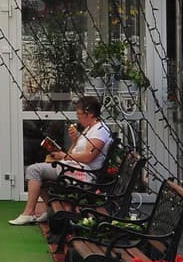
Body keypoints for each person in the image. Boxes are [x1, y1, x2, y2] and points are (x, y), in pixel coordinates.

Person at [9, 95, 111, 225]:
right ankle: (51, 211)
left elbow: (88, 157)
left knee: (33, 170)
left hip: (84, 174)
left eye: (79, 114)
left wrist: (63, 157)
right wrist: (74, 141)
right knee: (39, 172)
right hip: (74, 168)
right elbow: (73, 153)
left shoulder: (99, 131)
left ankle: (29, 213)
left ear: (90, 114)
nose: (78, 118)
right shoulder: (90, 129)